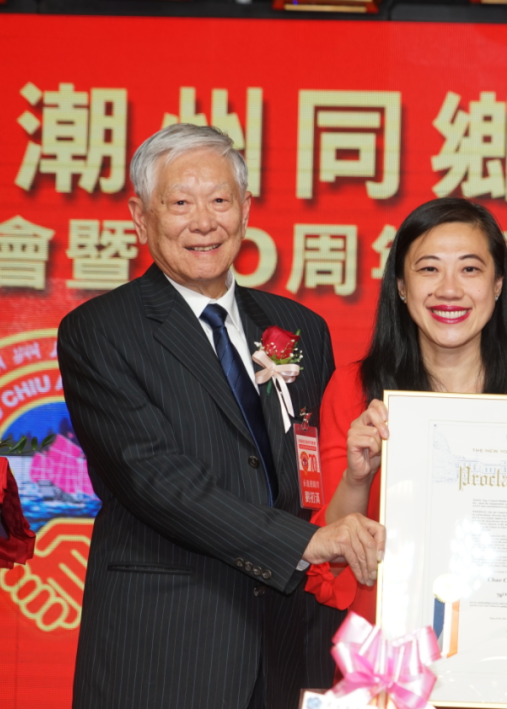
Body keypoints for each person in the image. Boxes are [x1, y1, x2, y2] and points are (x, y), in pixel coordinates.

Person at [57, 124, 384, 709]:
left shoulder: (300, 328)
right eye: (180, 203)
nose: (204, 222)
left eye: (219, 200)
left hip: (288, 644)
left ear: (246, 210)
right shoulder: (101, 331)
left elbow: (315, 470)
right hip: (164, 645)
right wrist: (306, 543)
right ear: (140, 217)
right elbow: (156, 480)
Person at [305, 198, 507, 621]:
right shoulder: (354, 390)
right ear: (401, 285)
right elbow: (329, 557)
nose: (449, 289)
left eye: (470, 269)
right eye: (429, 269)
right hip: (387, 642)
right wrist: (359, 478)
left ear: (498, 284)